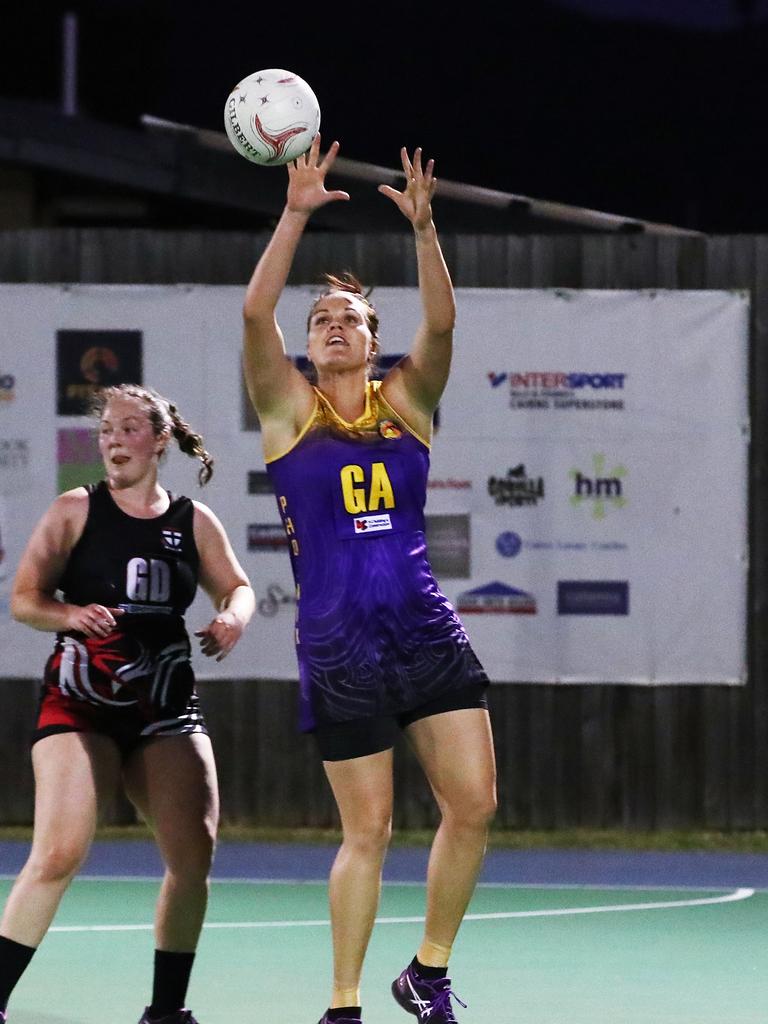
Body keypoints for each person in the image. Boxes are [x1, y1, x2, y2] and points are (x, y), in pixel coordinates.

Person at [242, 137, 497, 1024]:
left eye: (349, 316)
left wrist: (425, 230)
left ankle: (427, 972)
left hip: (423, 627)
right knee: (370, 831)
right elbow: (252, 315)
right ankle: (344, 1005)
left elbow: (444, 326)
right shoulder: (285, 411)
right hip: (340, 642)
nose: (335, 325)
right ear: (309, 347)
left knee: (474, 804)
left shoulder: (409, 403)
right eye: (322, 320)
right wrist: (294, 214)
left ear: (372, 339)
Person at [0, 384, 255, 1024]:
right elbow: (25, 598)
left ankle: (166, 1011)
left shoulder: (193, 521)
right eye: (107, 430)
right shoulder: (75, 510)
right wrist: (68, 612)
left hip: (164, 705)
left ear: (159, 439)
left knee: (193, 854)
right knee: (58, 852)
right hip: (80, 700)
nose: (114, 440)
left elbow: (241, 587)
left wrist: (232, 617)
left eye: (129, 429)